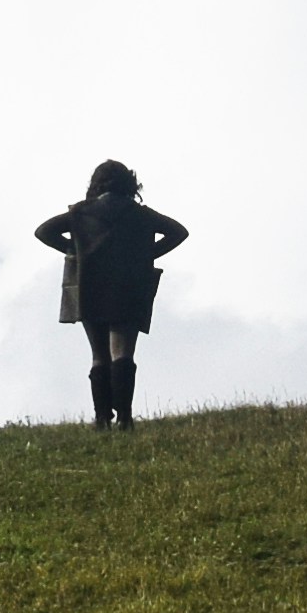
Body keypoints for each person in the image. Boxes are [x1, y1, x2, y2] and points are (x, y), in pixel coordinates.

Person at [32, 159, 188, 427]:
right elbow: (178, 232)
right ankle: (125, 418)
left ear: (95, 184)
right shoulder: (141, 214)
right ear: (130, 184)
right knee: (123, 351)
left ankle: (102, 418)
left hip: (89, 284)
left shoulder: (80, 212)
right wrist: (146, 254)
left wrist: (75, 249)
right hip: (129, 284)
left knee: (98, 354)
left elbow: (43, 231)